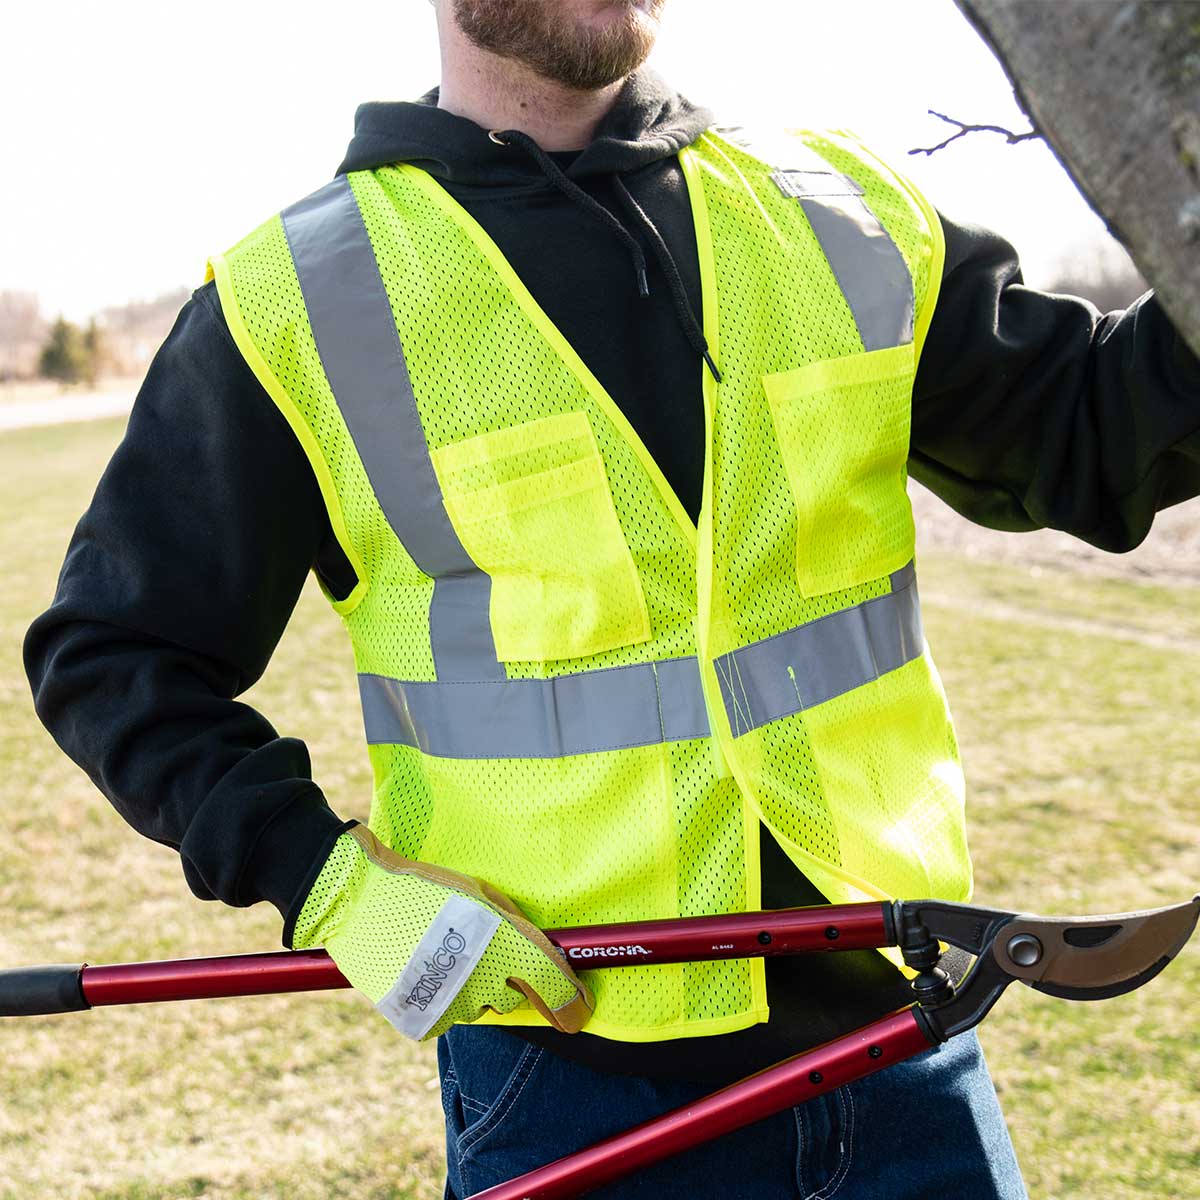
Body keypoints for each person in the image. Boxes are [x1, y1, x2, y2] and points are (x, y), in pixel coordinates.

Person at [24, 2, 1200, 1197]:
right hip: (573, 1092)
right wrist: (326, 882)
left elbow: (1095, 433)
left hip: (904, 1050)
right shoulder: (297, 304)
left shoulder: (842, 214)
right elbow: (115, 657)